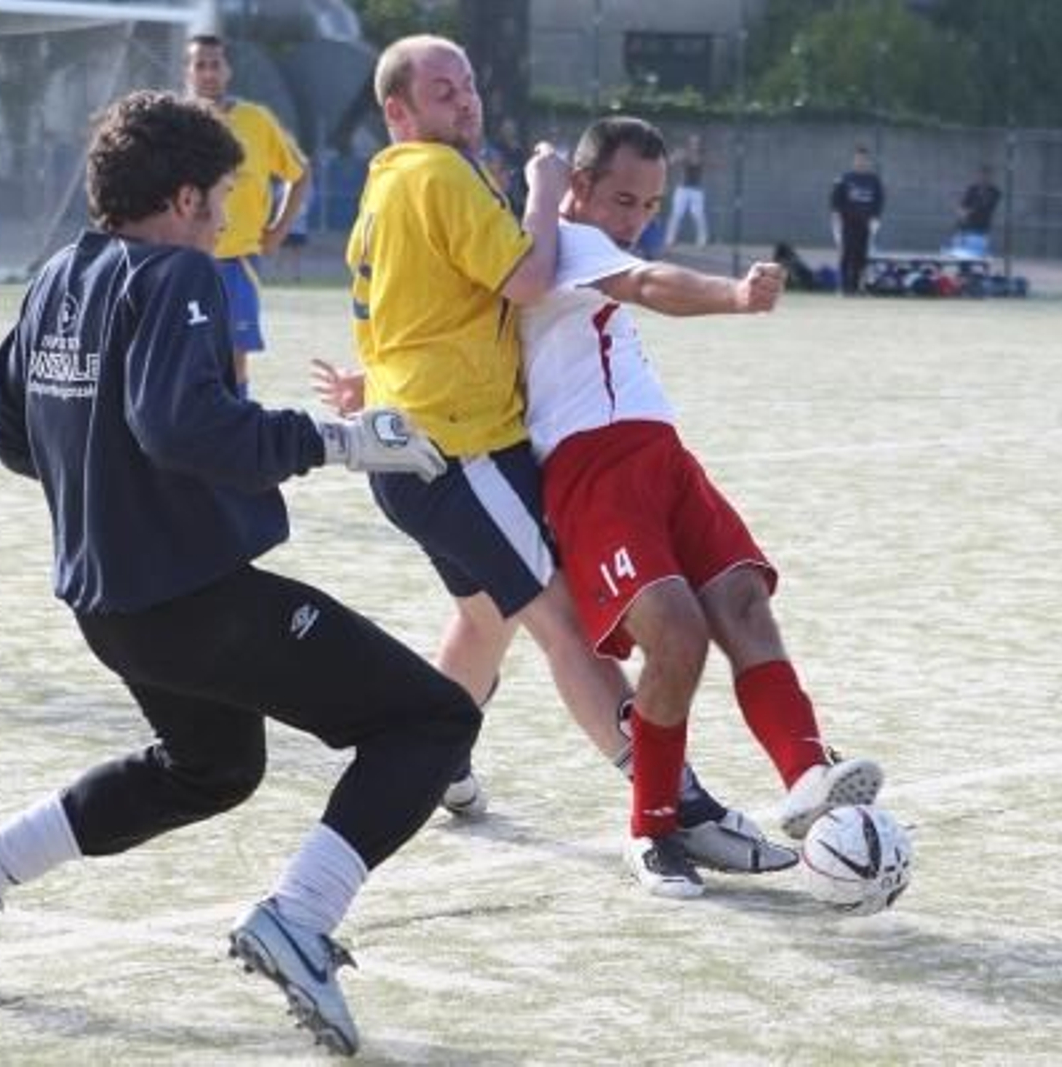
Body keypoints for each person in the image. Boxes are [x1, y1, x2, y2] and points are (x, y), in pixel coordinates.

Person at [0, 90, 477, 1057]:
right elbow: (184, 427)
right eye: (219, 198)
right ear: (180, 198)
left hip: (110, 604)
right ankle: (300, 918)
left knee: (213, 767)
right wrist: (343, 440)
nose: (224, 222)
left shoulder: (57, 273)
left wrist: (101, 472)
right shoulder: (176, 272)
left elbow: (8, 431)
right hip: (191, 600)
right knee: (430, 720)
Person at [326, 34, 794, 884]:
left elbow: (422, 303)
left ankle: (428, 754)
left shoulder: (386, 184)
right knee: (568, 626)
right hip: (457, 451)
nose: (465, 100)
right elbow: (527, 278)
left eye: (467, 83)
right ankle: (673, 804)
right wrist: (542, 194)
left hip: (410, 446)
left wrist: (378, 379)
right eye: (442, 91)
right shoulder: (439, 173)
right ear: (399, 114)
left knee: (483, 619)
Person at [519, 116, 884, 896]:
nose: (635, 219)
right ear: (578, 188)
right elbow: (653, 283)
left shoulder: (581, 242)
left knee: (744, 599)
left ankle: (806, 771)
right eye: (622, 198)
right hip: (592, 473)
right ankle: (651, 830)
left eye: (649, 205)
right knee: (675, 634)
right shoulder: (565, 240)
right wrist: (736, 294)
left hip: (662, 456)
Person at [184, 33, 311, 397]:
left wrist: (277, 231)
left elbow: (300, 174)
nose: (208, 73)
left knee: (236, 355)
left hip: (239, 260)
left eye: (215, 64)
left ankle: (236, 423)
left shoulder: (256, 120)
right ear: (188, 71)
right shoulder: (174, 122)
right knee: (186, 350)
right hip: (186, 260)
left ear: (228, 70)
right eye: (200, 65)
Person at [830, 144, 884, 296]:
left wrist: (876, 220)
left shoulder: (874, 180)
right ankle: (844, 287)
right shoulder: (844, 178)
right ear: (854, 160)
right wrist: (836, 221)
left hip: (866, 224)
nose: (861, 161)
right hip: (847, 223)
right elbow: (835, 202)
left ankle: (858, 288)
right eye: (858, 158)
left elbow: (879, 201)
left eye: (864, 159)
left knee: (862, 256)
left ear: (868, 161)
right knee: (847, 254)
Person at [662, 132, 709, 250]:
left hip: (696, 190)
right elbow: (669, 162)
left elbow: (697, 162)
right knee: (676, 214)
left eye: (697, 142)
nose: (695, 144)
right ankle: (669, 240)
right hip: (682, 188)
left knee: (698, 215)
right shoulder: (683, 153)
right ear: (689, 143)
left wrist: (686, 156)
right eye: (693, 141)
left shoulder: (701, 155)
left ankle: (702, 241)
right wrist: (676, 156)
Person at [953, 164, 1001, 258]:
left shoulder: (995, 192)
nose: (983, 178)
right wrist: (960, 211)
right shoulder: (972, 189)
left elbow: (985, 206)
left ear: (990, 177)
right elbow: (963, 203)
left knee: (978, 256)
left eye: (986, 175)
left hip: (981, 228)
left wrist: (968, 212)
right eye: (981, 175)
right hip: (966, 228)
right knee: (961, 255)